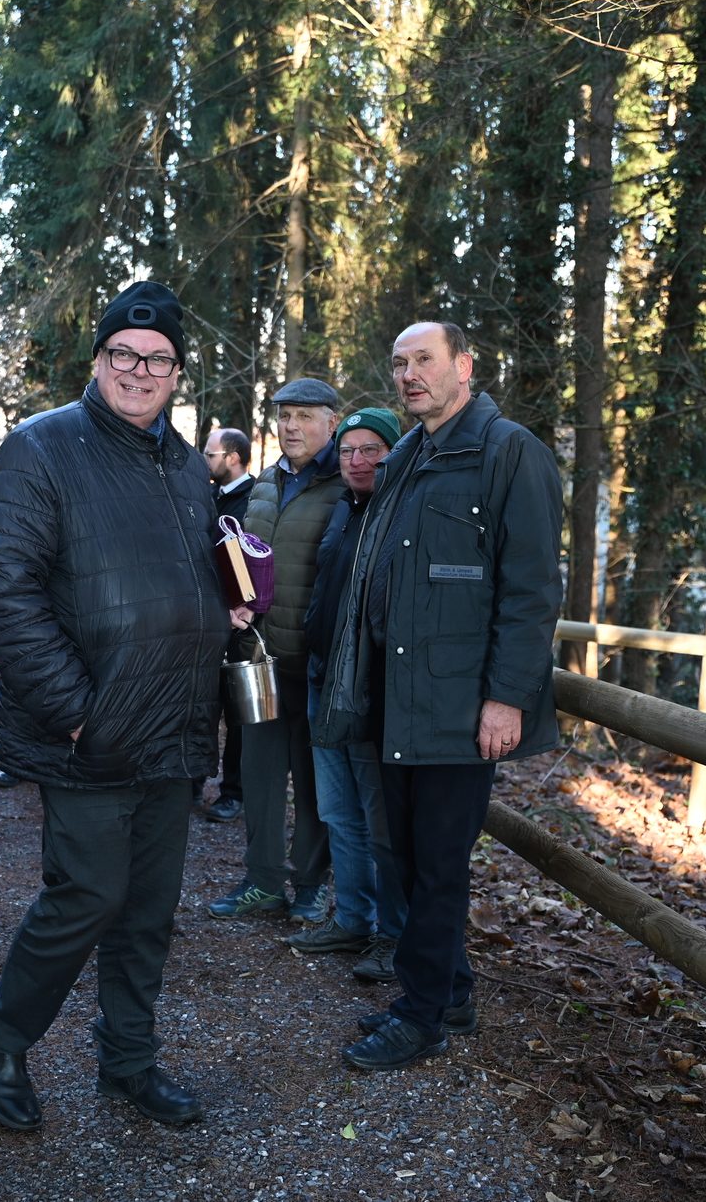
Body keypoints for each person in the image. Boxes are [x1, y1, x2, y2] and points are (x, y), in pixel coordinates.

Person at [0, 281, 245, 1132]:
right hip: (91, 727)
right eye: (124, 353)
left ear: (176, 375)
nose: (139, 371)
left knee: (150, 907)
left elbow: (190, 567)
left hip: (178, 724)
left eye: (158, 360)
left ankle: (128, 1059)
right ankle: (1, 1030)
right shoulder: (41, 447)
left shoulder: (185, 464)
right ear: (98, 359)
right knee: (86, 893)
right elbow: (3, 594)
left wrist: (221, 606)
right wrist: (80, 713)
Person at [316, 322, 562, 1070]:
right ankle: (448, 988)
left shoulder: (508, 450)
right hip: (398, 692)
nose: (409, 374)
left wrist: (507, 697)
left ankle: (420, 1014)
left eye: (424, 360)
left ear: (464, 366)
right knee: (412, 855)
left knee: (440, 860)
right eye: (398, 363)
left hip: (461, 703)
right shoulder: (410, 455)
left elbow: (531, 589)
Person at [208, 379, 342, 925]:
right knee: (260, 775)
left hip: (315, 664)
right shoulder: (263, 485)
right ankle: (262, 881)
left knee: (313, 782)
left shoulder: (347, 485)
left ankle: (310, 885)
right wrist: (233, 604)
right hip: (259, 657)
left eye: (305, 416)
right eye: (285, 416)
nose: (291, 427)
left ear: (332, 422)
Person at [299, 407, 405, 983]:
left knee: (379, 817)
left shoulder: (396, 515)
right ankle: (353, 919)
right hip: (323, 679)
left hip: (367, 689)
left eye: (371, 450)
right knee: (339, 812)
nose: (357, 461)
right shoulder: (345, 508)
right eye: (347, 450)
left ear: (393, 453)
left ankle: (394, 933)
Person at [200, 426, 253, 821]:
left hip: (239, 624)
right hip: (202, 619)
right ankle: (191, 779)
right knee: (200, 703)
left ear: (232, 458)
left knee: (236, 713)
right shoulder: (208, 498)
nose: (206, 460)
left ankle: (233, 792)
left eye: (211, 454)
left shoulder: (254, 502)